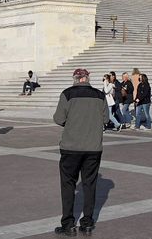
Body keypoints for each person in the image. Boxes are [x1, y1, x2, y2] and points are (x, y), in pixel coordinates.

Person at [53, 68, 109, 237]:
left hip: (71, 147)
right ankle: (87, 223)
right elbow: (105, 119)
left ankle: (68, 224)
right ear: (87, 78)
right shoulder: (100, 95)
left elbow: (58, 118)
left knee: (68, 184)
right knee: (90, 184)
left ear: (75, 79)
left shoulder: (67, 94)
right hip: (93, 147)